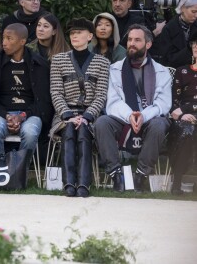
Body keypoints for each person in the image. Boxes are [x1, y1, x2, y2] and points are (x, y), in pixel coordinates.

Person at [94, 24, 172, 193]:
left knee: (160, 125)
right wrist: (130, 115)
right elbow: (112, 102)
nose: (132, 44)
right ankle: (116, 175)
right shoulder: (114, 69)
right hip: (123, 118)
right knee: (102, 122)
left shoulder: (162, 71)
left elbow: (163, 104)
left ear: (148, 44)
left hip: (150, 119)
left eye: (137, 40)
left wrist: (142, 115)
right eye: (129, 39)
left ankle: (140, 176)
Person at [50, 18, 109, 197]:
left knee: (84, 130)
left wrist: (87, 116)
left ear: (90, 36)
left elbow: (101, 95)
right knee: (69, 129)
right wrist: (68, 115)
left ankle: (83, 183)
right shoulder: (58, 60)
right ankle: (69, 182)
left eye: (79, 33)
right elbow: (56, 92)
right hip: (64, 113)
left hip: (91, 114)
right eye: (72, 33)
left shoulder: (102, 62)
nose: (74, 36)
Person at [0, 23, 53, 166]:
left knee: (30, 134)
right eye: (3, 38)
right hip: (2, 113)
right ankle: (1, 167)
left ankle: (19, 169)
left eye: (9, 39)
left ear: (22, 42)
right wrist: (7, 115)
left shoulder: (39, 65)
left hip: (30, 114)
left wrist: (22, 116)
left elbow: (43, 102)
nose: (4, 43)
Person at [168, 39, 197, 194]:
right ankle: (177, 182)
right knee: (186, 131)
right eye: (195, 44)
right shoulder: (182, 71)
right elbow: (174, 102)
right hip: (185, 117)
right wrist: (183, 114)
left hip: (190, 113)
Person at [160, 0, 197, 68]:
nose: (196, 15)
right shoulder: (169, 29)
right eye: (193, 12)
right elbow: (168, 59)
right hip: (176, 72)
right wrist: (190, 49)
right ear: (183, 8)